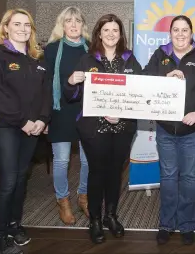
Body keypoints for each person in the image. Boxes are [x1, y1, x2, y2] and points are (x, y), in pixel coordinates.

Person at [63, 14, 142, 244]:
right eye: (105, 30)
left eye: (115, 30)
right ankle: (95, 220)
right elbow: (72, 96)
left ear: (120, 34)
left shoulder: (130, 60)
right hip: (93, 129)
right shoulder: (87, 60)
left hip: (123, 127)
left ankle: (111, 216)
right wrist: (71, 82)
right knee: (97, 173)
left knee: (115, 173)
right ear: (99, 33)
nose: (110, 34)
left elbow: (138, 94)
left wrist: (122, 115)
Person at [0, 8, 52, 254]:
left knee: (21, 179)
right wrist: (22, 121)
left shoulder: (37, 57)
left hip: (32, 128)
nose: (23, 29)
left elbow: (45, 92)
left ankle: (14, 225)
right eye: (17, 24)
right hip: (6, 127)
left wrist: (42, 119)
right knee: (8, 181)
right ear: (6, 27)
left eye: (27, 25)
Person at [143, 15, 195, 246]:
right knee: (167, 177)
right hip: (165, 129)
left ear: (191, 33)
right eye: (176, 30)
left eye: (184, 30)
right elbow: (145, 79)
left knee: (188, 177)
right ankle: (166, 223)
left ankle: (186, 224)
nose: (180, 34)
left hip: (193, 130)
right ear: (170, 33)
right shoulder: (160, 55)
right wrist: (165, 78)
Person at [44, 6, 91, 225]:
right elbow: (45, 84)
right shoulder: (52, 49)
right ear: (61, 25)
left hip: (86, 111)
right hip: (60, 111)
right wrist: (43, 116)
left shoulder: (91, 49)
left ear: (83, 24)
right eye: (68, 21)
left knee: (87, 160)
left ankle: (84, 197)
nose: (73, 25)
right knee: (61, 161)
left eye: (77, 20)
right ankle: (62, 201)